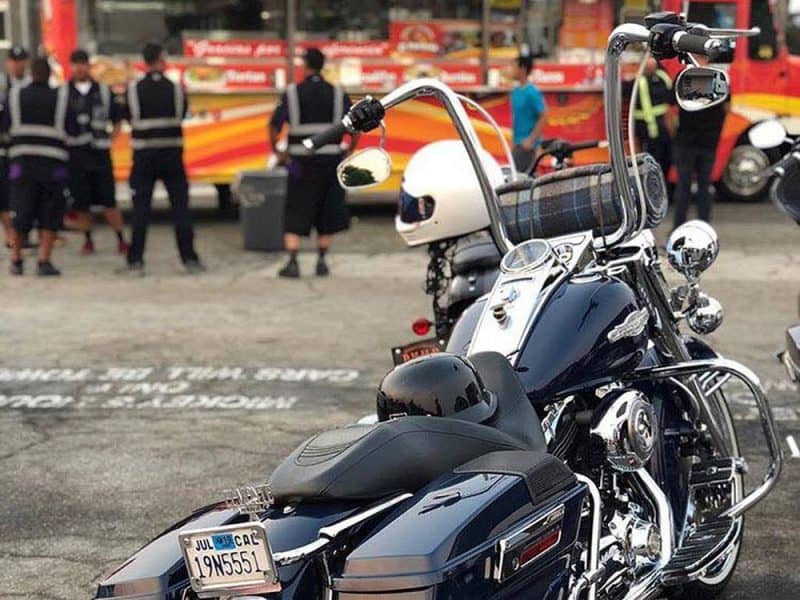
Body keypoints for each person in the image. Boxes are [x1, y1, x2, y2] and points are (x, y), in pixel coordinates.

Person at [268, 47, 358, 278]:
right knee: (327, 211)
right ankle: (321, 261)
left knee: (296, 209)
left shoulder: (292, 93)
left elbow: (274, 126)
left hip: (300, 164)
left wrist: (279, 153)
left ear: (305, 65)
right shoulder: (338, 93)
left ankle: (292, 262)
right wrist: (348, 150)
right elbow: (355, 126)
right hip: (331, 161)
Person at [123, 43, 203, 274]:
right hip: (172, 156)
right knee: (180, 208)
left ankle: (135, 260)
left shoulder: (133, 90)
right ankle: (189, 258)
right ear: (160, 59)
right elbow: (182, 114)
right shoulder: (176, 89)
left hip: (143, 157)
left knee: (141, 209)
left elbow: (129, 117)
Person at [2, 57, 76, 276]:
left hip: (22, 164)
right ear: (50, 75)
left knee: (20, 211)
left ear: (31, 73)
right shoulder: (61, 98)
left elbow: (4, 127)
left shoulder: (15, 96)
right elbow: (72, 130)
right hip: (53, 165)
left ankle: (16, 260)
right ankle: (44, 261)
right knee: (50, 213)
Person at [66, 49, 128, 255]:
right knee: (81, 202)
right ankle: (88, 239)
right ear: (71, 66)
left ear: (88, 66)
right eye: (76, 64)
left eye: (82, 64)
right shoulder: (64, 93)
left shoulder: (103, 91)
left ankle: (120, 239)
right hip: (76, 154)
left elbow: (118, 119)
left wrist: (111, 139)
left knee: (109, 200)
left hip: (100, 154)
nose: (79, 68)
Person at [672, 58, 730, 229]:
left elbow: (670, 108)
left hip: (685, 141)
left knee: (684, 186)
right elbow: (727, 107)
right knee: (705, 186)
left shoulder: (684, 76)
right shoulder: (718, 77)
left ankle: (678, 227)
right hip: (708, 141)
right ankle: (704, 228)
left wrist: (676, 135)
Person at [0, 45, 31, 248]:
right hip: (5, 148)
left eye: (21, 61)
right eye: (14, 61)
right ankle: (11, 235)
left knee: (24, 193)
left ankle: (22, 234)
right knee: (4, 194)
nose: (17, 65)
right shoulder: (2, 84)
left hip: (26, 149)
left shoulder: (32, 85)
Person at [633, 57, 674, 175]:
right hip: (645, 130)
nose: (651, 68)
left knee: (666, 158)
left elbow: (669, 103)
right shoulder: (637, 82)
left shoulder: (662, 78)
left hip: (662, 127)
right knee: (650, 161)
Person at [510, 54, 547, 173]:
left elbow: (543, 116)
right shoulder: (515, 91)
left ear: (523, 69)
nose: (512, 70)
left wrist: (531, 140)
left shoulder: (532, 92)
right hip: (517, 144)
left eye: (514, 67)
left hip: (528, 146)